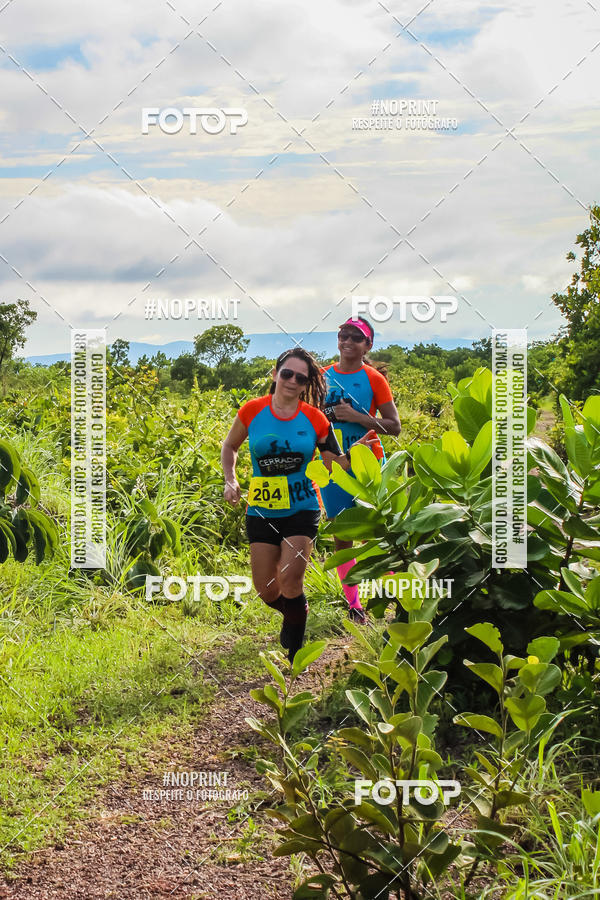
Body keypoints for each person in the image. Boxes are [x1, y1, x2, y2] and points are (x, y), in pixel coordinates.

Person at [221, 347, 377, 662]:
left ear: (307, 384)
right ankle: (294, 613)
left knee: (291, 580)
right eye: (287, 373)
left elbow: (334, 465)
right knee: (266, 589)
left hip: (302, 507)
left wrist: (356, 451)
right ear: (275, 374)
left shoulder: (315, 418)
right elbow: (230, 446)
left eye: (301, 378)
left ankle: (296, 655)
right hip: (262, 509)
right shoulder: (252, 411)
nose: (293, 381)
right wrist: (230, 479)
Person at [320, 317, 401, 623]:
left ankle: (395, 597)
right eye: (344, 335)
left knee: (377, 532)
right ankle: (354, 605)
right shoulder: (322, 377)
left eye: (356, 337)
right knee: (343, 535)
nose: (348, 342)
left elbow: (394, 426)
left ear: (368, 345)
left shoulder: (374, 379)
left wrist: (357, 417)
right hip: (333, 466)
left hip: (367, 463)